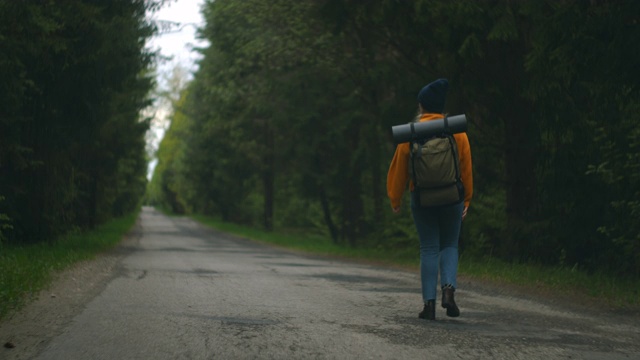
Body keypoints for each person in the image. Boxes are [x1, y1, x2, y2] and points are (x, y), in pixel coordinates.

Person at [386, 78, 473, 320]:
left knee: (429, 247)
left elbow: (398, 169)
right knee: (449, 245)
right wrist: (466, 199)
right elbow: (465, 169)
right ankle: (448, 290)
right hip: (452, 198)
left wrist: (395, 199)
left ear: (421, 107)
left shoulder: (411, 134)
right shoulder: (456, 133)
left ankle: (429, 305)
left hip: (422, 199)